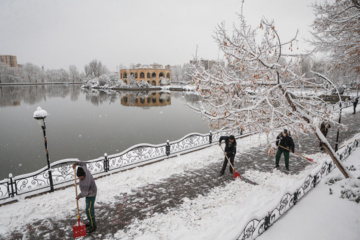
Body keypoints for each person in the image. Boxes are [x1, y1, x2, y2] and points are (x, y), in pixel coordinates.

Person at [72, 161, 97, 233]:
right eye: (78, 177)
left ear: (83, 175)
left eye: (80, 177)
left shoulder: (85, 182)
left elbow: (85, 193)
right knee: (88, 209)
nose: (79, 178)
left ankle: (93, 226)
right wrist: (75, 163)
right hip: (89, 192)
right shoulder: (84, 168)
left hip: (91, 194)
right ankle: (91, 222)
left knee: (89, 210)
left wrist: (78, 196)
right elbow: (83, 163)